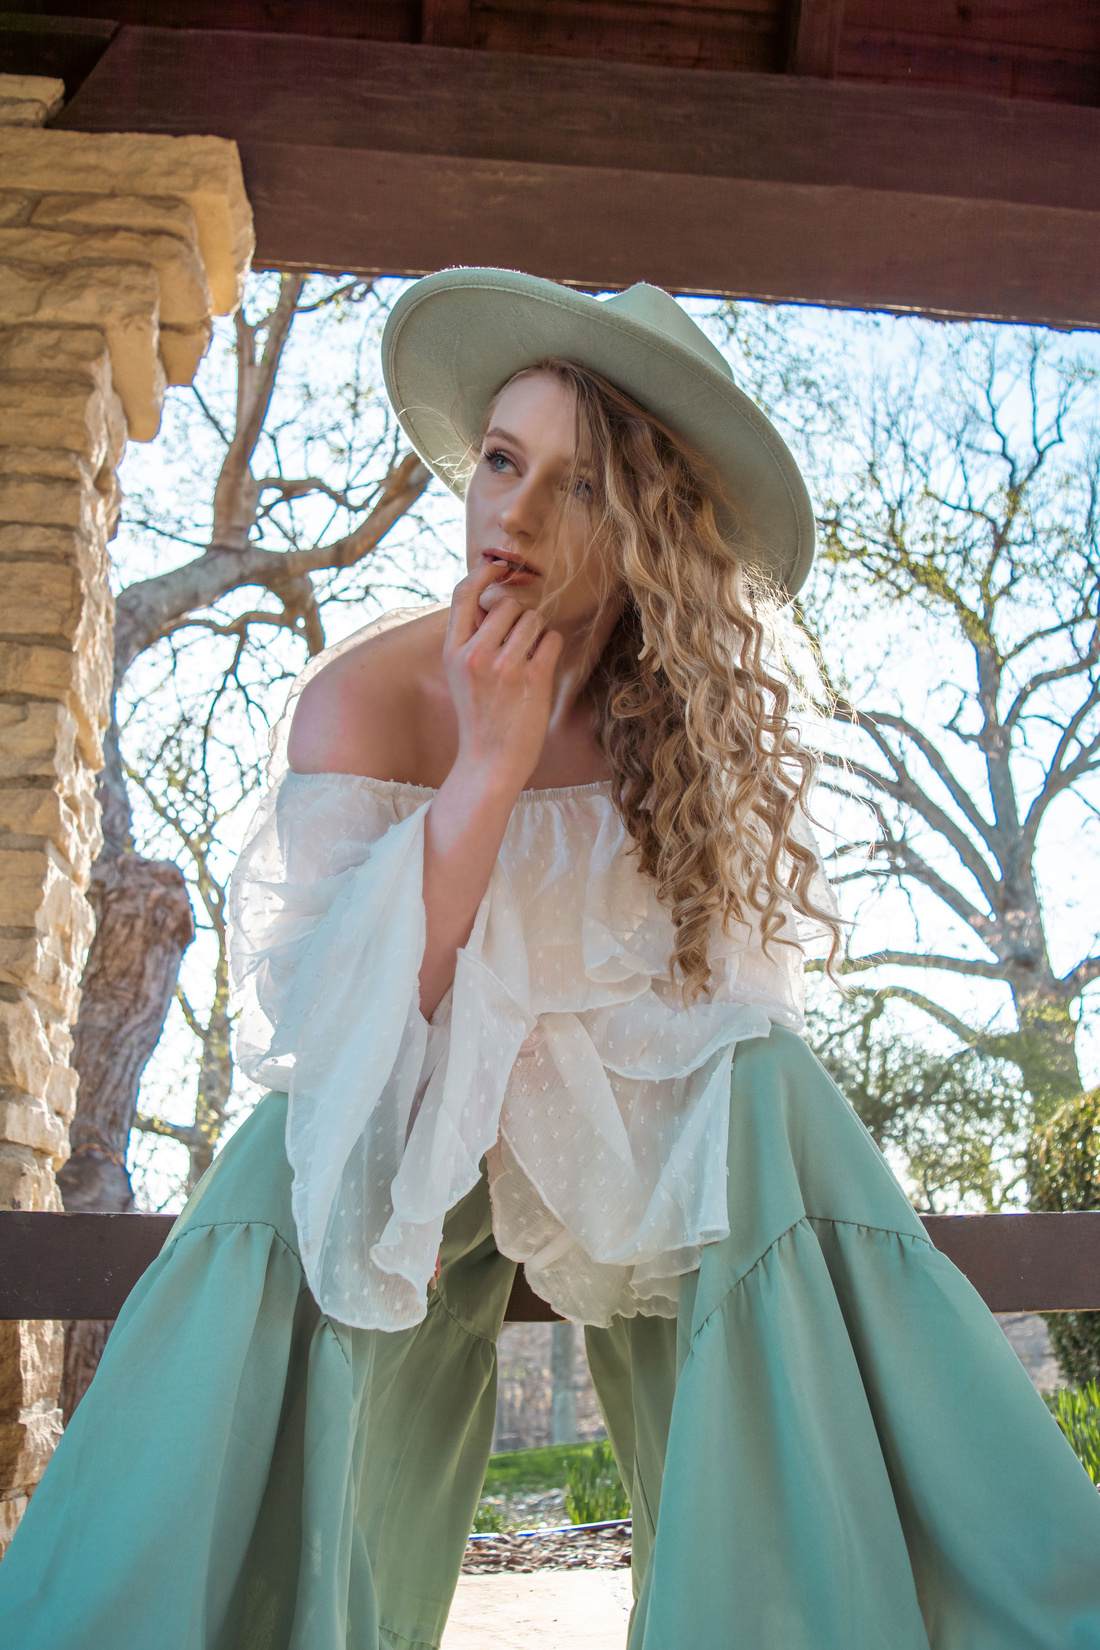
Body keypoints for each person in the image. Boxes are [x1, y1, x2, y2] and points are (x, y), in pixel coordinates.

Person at [1, 268, 1099, 1650]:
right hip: (401, 1129)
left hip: (631, 1149)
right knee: (287, 1153)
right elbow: (346, 1037)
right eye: (502, 461)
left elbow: (703, 1024)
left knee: (770, 1092)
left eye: (574, 487)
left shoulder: (690, 739)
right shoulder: (363, 701)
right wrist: (488, 771)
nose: (510, 512)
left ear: (648, 529)